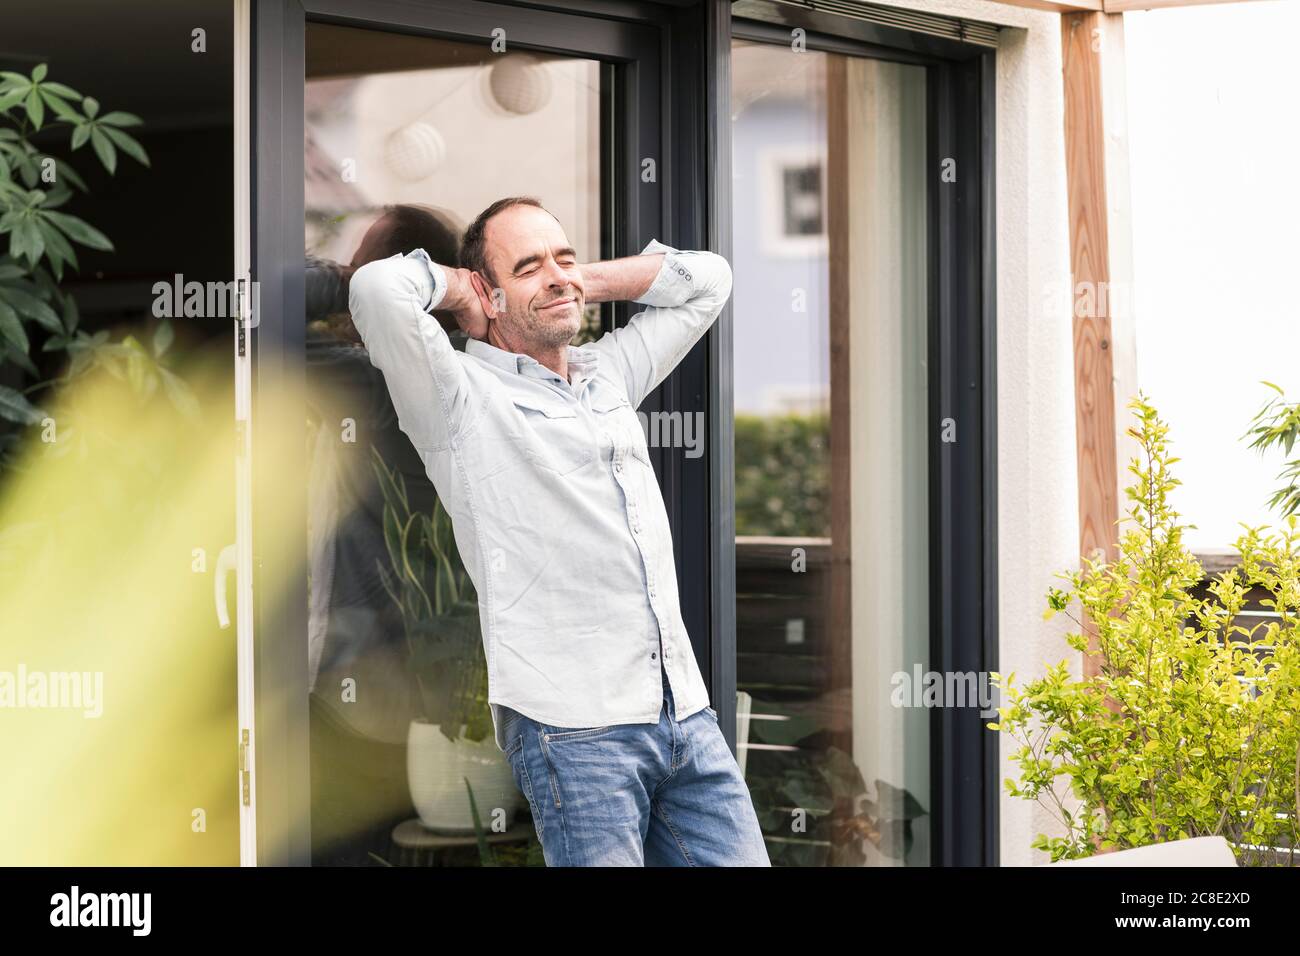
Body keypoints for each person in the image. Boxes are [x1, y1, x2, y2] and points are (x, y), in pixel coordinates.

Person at [348, 195, 769, 866]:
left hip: (683, 712)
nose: (555, 274)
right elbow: (375, 289)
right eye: (528, 265)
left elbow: (709, 278)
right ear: (488, 294)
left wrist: (574, 279)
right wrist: (461, 288)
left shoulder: (609, 375)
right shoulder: (457, 398)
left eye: (562, 255)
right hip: (575, 732)